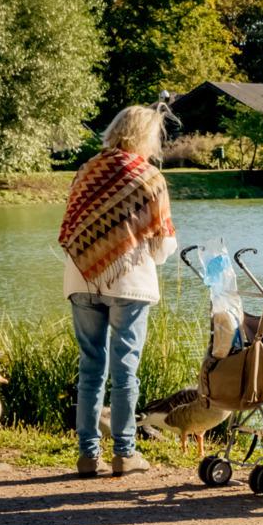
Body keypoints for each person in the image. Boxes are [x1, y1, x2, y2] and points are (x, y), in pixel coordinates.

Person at [59, 104, 178, 478]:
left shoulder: (86, 170)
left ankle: (87, 454)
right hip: (130, 283)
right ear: (147, 136)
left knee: (90, 368)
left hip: (81, 278)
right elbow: (161, 249)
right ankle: (125, 453)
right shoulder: (149, 178)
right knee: (125, 369)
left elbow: (71, 229)